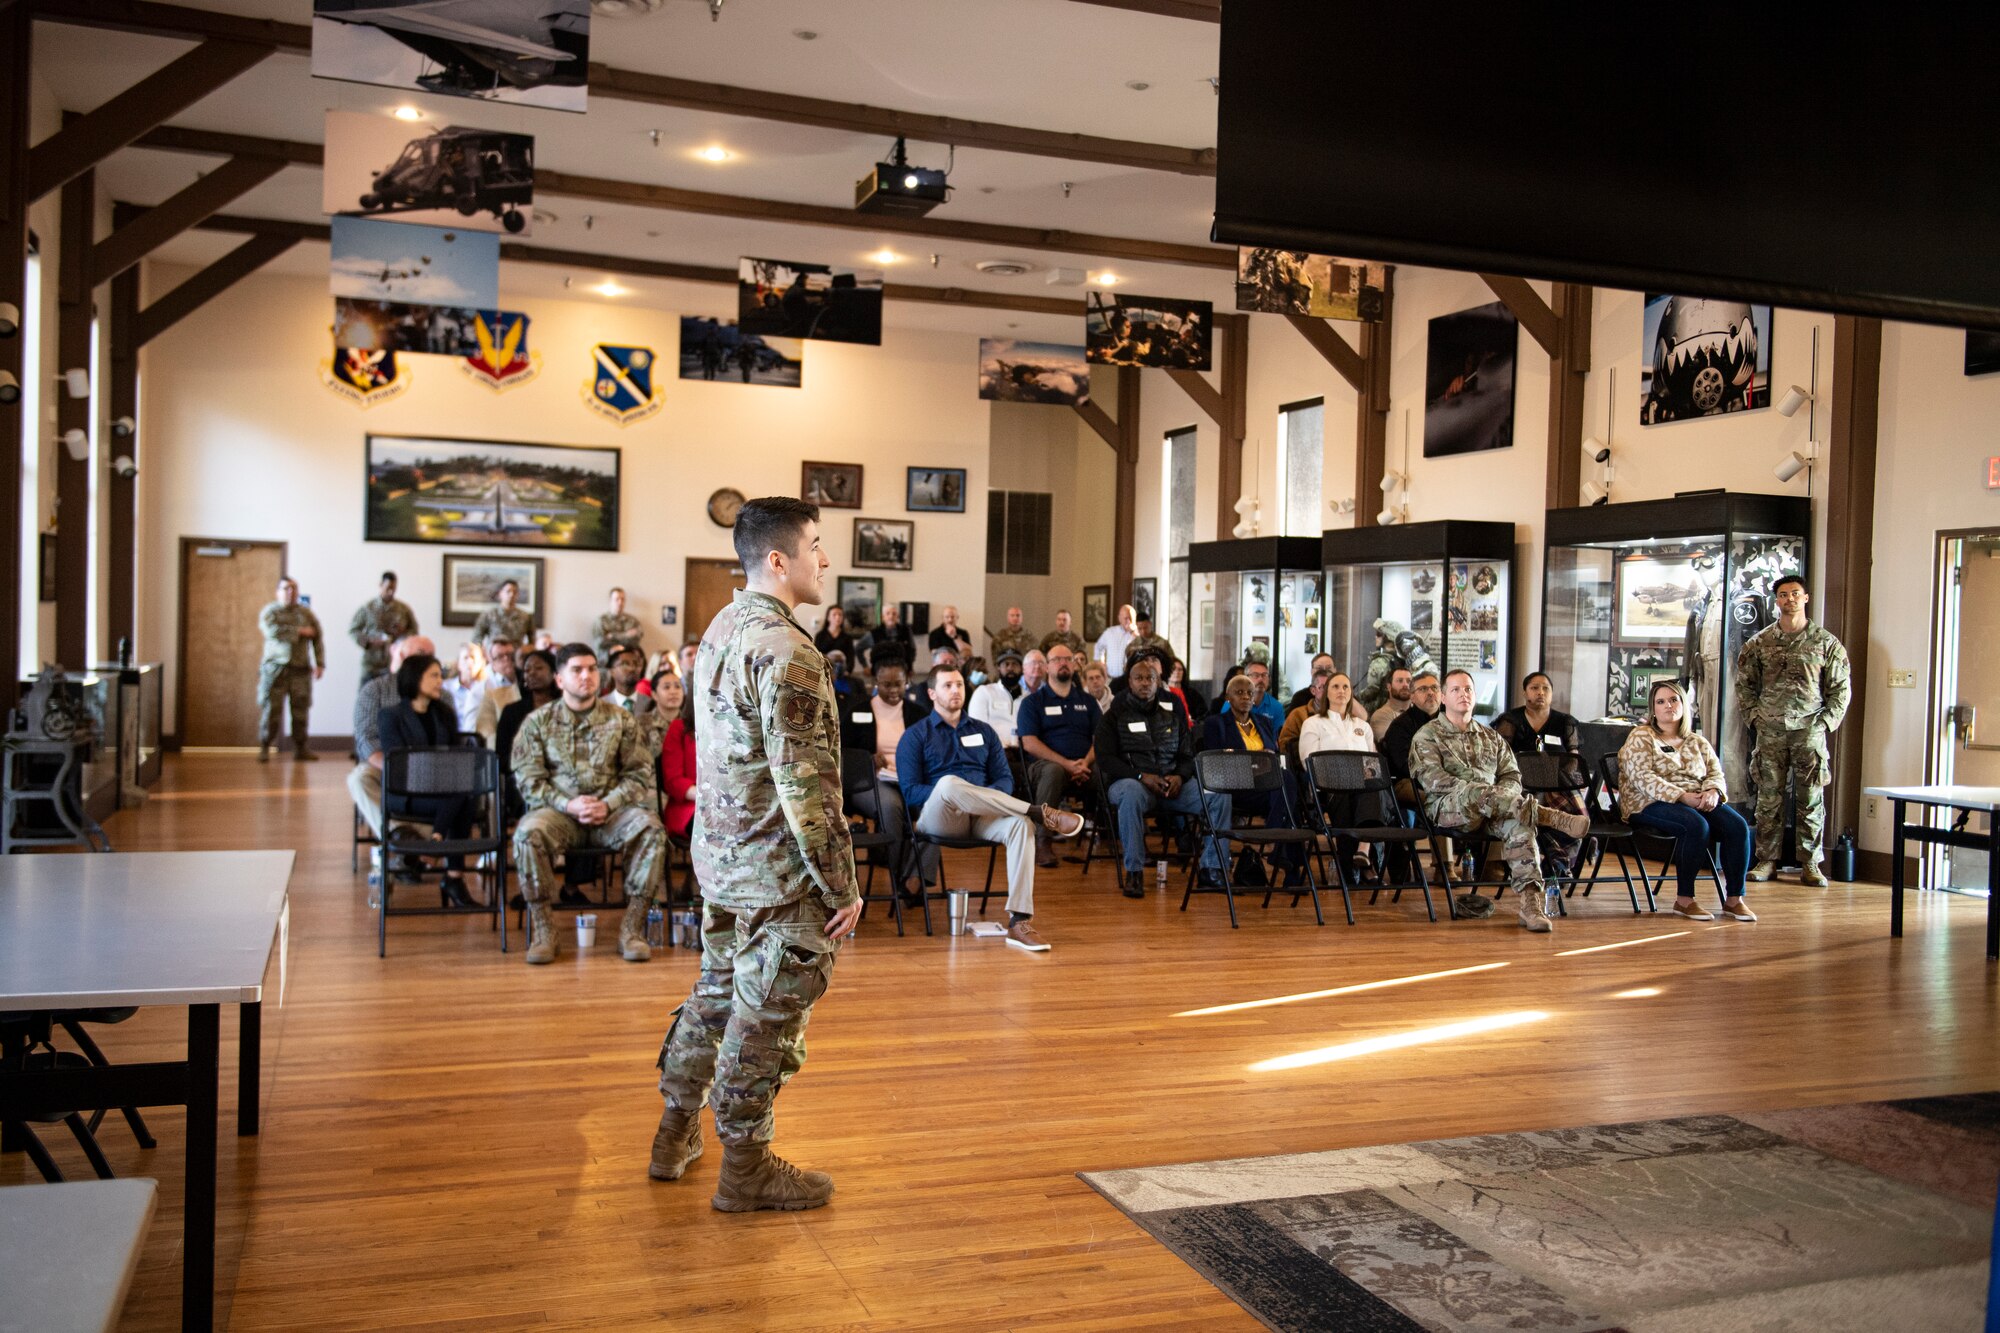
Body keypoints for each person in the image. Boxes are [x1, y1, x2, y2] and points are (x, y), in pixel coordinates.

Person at [654, 497, 859, 1213]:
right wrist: (843, 887)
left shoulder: (719, 629)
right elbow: (808, 791)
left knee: (714, 998)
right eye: (816, 544)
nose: (825, 559)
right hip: (777, 870)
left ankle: (674, 1131)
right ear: (780, 559)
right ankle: (745, 1168)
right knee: (762, 1018)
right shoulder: (789, 650)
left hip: (720, 860)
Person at [897, 665, 1082, 951]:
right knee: (948, 783)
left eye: (959, 684)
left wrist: (979, 798)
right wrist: (959, 795)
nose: (956, 690)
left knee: (1022, 826)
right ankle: (1038, 811)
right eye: (947, 686)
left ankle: (1019, 922)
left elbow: (1005, 780)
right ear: (932, 693)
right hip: (941, 817)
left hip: (983, 815)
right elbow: (910, 792)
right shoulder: (915, 735)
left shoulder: (985, 732)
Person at [511, 644, 667, 965]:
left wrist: (608, 804)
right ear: (559, 679)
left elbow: (639, 775)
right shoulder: (537, 723)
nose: (587, 676)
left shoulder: (621, 720)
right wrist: (568, 805)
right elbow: (529, 781)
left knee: (650, 828)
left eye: (592, 668)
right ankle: (544, 930)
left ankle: (632, 929)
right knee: (527, 834)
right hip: (559, 815)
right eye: (577, 670)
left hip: (610, 814)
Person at [1408, 669, 1592, 933]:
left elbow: (1511, 775)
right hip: (1450, 809)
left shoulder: (1490, 736)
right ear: (1444, 698)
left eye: (1468, 689)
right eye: (1456, 690)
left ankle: (1530, 906)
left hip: (1494, 810)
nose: (1464, 694)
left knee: (1521, 824)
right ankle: (1547, 815)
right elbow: (1434, 781)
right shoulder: (1427, 736)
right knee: (1479, 793)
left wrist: (1499, 796)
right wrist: (1484, 793)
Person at [1736, 574, 1852, 886]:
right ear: (1777, 601)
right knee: (1768, 798)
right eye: (1784, 595)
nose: (1790, 599)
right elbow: (1744, 684)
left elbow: (1841, 690)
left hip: (1809, 730)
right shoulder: (1760, 643)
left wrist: (1825, 723)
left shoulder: (1826, 643)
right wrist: (1754, 717)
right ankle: (1766, 860)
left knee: (1811, 798)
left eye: (1795, 594)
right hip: (1770, 729)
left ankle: (1810, 863)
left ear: (1806, 598)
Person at [1617, 679, 1756, 922]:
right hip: (1647, 802)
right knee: (1696, 825)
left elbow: (1715, 772)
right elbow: (1641, 777)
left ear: (1684, 704)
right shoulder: (1641, 737)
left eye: (1674, 699)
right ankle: (1684, 901)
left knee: (1737, 826)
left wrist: (1713, 791)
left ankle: (1734, 900)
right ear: (1653, 709)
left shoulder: (1697, 741)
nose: (1668, 705)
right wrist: (1680, 796)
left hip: (1696, 799)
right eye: (1661, 702)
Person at [1095, 654, 1232, 898]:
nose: (1145, 682)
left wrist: (1180, 776)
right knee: (1130, 793)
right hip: (1132, 784)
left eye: (1151, 678)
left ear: (1159, 682)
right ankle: (1134, 871)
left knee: (1218, 793)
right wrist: (1140, 776)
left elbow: (1188, 756)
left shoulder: (1172, 716)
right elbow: (1106, 760)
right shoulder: (1113, 717)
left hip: (1172, 785)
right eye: (1139, 678)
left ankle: (1211, 868)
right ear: (1130, 681)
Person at [377, 653, 479, 909]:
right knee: (461, 796)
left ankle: (437, 846)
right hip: (406, 792)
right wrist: (439, 769)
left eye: (440, 675)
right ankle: (452, 875)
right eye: (433, 675)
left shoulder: (443, 712)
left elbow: (455, 754)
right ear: (414, 678)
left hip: (443, 791)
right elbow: (399, 762)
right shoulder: (391, 716)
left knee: (464, 794)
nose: (440, 681)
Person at [1198, 671, 1303, 885]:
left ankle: (1278, 845)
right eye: (1239, 693)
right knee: (1288, 795)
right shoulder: (1215, 723)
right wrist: (1255, 761)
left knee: (1288, 791)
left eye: (1249, 693)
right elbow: (1216, 762)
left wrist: (1267, 759)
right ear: (1228, 698)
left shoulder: (1263, 722)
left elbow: (1273, 753)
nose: (1245, 697)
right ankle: (1285, 860)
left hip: (1263, 787)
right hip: (1234, 788)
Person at [348, 634, 436, 884]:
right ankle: (402, 838)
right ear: (400, 655)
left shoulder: (439, 693)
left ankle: (404, 844)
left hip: (431, 770)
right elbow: (366, 741)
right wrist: (400, 769)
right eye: (422, 655)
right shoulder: (375, 690)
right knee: (358, 778)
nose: (430, 662)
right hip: (386, 766)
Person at [839, 660, 926, 902]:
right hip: (870, 783)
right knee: (891, 806)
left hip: (908, 780)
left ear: (907, 681)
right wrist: (867, 759)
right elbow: (840, 751)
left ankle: (916, 877)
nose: (893, 690)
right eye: (886, 684)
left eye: (898, 684)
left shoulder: (917, 714)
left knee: (935, 808)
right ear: (875, 683)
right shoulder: (858, 710)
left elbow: (930, 749)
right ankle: (900, 876)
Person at [1016, 643, 1101, 868]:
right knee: (1053, 772)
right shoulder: (1032, 702)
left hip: (1085, 765)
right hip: (1045, 767)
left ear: (1074, 665)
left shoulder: (1088, 701)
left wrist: (1085, 762)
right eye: (1056, 660)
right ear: (1046, 667)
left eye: (1067, 659)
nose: (1063, 663)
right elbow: (1029, 743)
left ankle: (1107, 836)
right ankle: (1043, 841)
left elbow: (1100, 739)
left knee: (1109, 772)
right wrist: (1066, 764)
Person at [257, 575, 324, 763]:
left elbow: (317, 637)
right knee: (271, 710)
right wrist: (299, 631)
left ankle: (301, 748)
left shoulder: (306, 614)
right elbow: (272, 631)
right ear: (278, 592)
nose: (290, 592)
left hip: (300, 669)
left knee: (300, 711)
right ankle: (264, 746)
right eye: (286, 588)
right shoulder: (270, 612)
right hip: (275, 669)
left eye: (294, 588)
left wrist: (320, 663)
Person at [494, 648, 558, 820]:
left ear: (554, 673)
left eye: (538, 668)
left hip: (561, 773)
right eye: (527, 669)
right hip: (523, 774)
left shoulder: (565, 708)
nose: (531, 673)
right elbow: (502, 756)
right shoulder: (512, 711)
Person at [348, 570, 418, 683]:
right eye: (388, 588)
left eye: (394, 589)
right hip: (372, 663)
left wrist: (403, 634)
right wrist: (368, 641)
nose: (391, 592)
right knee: (367, 696)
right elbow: (353, 630)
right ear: (381, 585)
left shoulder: (403, 609)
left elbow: (414, 631)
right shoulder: (368, 608)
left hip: (394, 663)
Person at [1381, 670, 1442, 791]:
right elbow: (1406, 767)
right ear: (1412, 696)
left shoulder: (1450, 720)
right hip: (1412, 783)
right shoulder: (1400, 726)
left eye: (1434, 688)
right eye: (1423, 689)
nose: (1430, 692)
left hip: (1449, 781)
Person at [657, 673, 697, 840]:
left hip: (730, 803)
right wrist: (709, 797)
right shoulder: (679, 728)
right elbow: (674, 781)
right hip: (689, 806)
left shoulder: (729, 727)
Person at [1298, 671, 1374, 758]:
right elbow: (1309, 762)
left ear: (1351, 693)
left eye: (1345, 687)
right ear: (1326, 693)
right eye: (1335, 687)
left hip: (1360, 772)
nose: (1341, 691)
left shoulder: (1364, 726)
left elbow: (1371, 762)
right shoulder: (1312, 724)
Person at [970, 649, 1028, 751]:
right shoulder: (984, 692)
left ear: (1022, 669)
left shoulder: (1029, 698)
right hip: (993, 753)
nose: (1010, 668)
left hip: (1024, 754)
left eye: (1015, 664)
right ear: (998, 668)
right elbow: (977, 730)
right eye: (1006, 664)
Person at [473, 636, 521, 746]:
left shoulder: (525, 684)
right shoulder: (481, 689)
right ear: (491, 661)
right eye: (500, 656)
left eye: (510, 655)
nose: (506, 660)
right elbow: (479, 731)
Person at [441, 641, 490, 735]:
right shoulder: (446, 687)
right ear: (458, 663)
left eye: (473, 657)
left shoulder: (487, 687)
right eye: (465, 658)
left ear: (481, 663)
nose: (470, 662)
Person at [471, 579, 534, 651]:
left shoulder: (525, 617)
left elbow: (532, 642)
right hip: (494, 656)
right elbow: (476, 639)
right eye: (508, 591)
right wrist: (481, 655)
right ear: (500, 593)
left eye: (515, 592)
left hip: (516, 657)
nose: (511, 594)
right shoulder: (489, 615)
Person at [593, 587, 646, 667]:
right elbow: (599, 643)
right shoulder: (601, 621)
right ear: (610, 601)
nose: (620, 602)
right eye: (617, 599)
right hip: (606, 662)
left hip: (629, 662)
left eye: (623, 599)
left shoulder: (632, 621)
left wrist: (612, 636)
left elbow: (635, 641)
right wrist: (626, 635)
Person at [859, 603, 913, 672]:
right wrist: (865, 666)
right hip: (879, 672)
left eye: (894, 614)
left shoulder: (906, 632)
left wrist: (910, 667)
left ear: (897, 617)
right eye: (888, 614)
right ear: (883, 617)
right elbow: (858, 649)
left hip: (901, 671)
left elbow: (911, 650)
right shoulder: (874, 633)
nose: (891, 616)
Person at [604, 645, 654, 717]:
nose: (632, 669)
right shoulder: (601, 704)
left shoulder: (650, 704)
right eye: (625, 664)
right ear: (612, 671)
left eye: (636, 664)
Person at [1369, 666, 1416, 741]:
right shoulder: (1381, 715)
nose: (1405, 685)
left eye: (1409, 681)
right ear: (1389, 687)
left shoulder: (1419, 711)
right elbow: (1391, 745)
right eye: (1400, 681)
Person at [1094, 603, 1137, 679]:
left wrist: (1133, 633)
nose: (1128, 621)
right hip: (1111, 677)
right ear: (1119, 618)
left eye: (1131, 618)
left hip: (1130, 678)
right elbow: (1098, 647)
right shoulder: (1110, 632)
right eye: (1126, 618)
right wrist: (1101, 664)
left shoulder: (1137, 635)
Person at [1243, 661, 1286, 733]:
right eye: (1255, 675)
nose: (1260, 679)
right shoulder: (1233, 703)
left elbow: (1277, 738)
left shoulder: (1276, 707)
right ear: (1245, 678)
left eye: (1264, 675)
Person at [1164, 656, 1206, 723]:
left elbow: (1203, 715)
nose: (1177, 672)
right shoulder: (1161, 693)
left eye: (1180, 669)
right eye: (1173, 669)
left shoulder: (1192, 694)